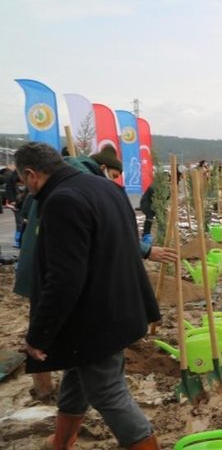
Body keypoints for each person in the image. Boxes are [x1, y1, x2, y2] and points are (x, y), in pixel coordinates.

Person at [17, 142, 160, 449]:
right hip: (122, 304)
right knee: (77, 378)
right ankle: (62, 443)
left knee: (108, 392)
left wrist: (39, 335)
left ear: (31, 174)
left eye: (23, 181)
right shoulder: (105, 186)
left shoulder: (61, 201)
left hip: (95, 317)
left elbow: (64, 278)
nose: (26, 190)